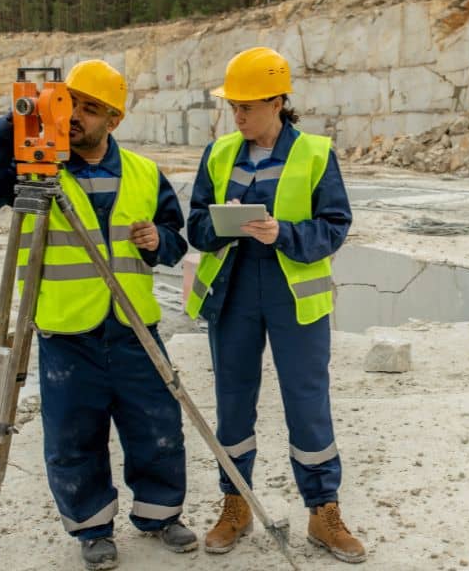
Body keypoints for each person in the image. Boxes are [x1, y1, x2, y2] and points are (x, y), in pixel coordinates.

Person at [0, 59, 195, 570]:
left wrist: (159, 242)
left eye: (90, 108)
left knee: (157, 426)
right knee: (73, 436)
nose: (77, 116)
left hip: (133, 327)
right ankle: (92, 528)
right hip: (67, 332)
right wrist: (19, 121)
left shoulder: (146, 174)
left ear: (114, 119)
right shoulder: (35, 168)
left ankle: (160, 516)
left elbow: (175, 243)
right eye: (70, 104)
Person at [185, 46, 365, 564]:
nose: (237, 115)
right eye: (233, 106)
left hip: (293, 300)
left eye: (247, 106)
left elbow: (334, 226)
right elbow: (195, 223)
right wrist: (222, 225)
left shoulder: (313, 152)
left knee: (308, 406)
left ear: (278, 102)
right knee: (234, 405)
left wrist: (282, 232)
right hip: (234, 293)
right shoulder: (220, 154)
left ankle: (323, 512)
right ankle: (236, 504)